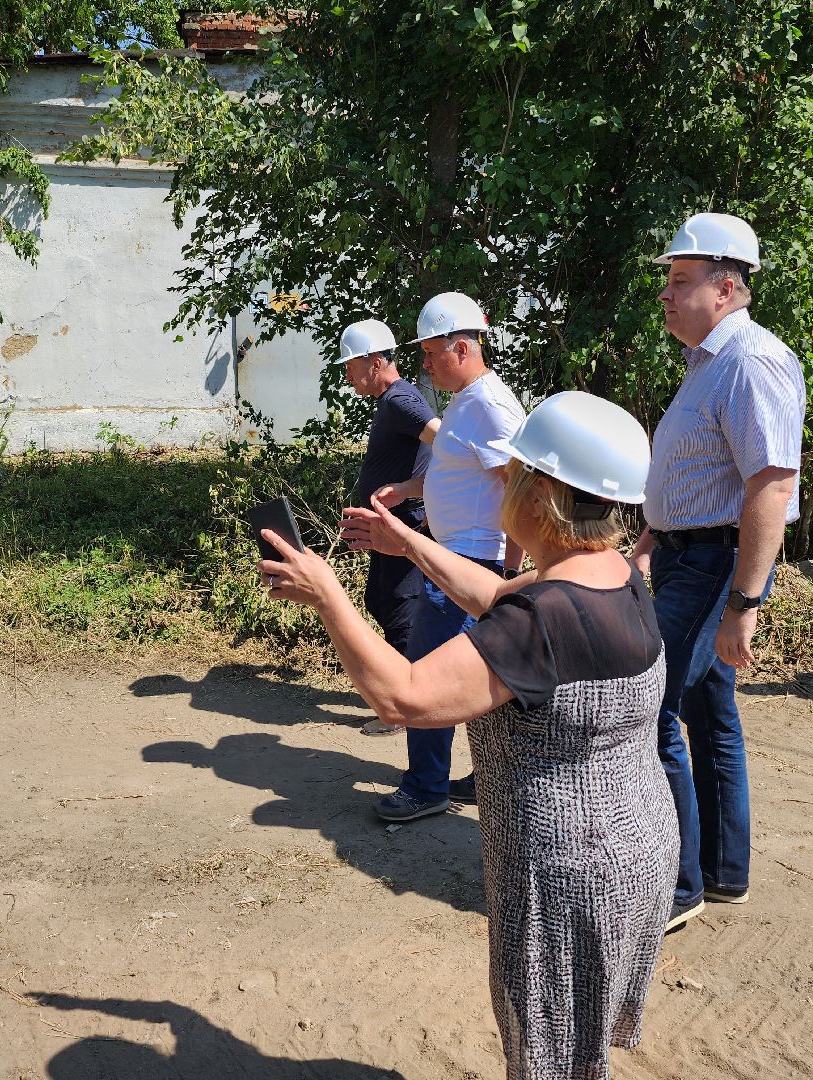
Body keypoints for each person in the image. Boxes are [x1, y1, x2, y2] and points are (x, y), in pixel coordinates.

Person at [260, 391, 678, 1080]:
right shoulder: (613, 580)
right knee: (574, 1048)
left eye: (511, 474)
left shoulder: (542, 619)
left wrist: (328, 595)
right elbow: (497, 597)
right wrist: (409, 543)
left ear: (539, 493)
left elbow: (402, 697)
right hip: (637, 848)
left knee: (545, 1054)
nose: (501, 486)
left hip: (563, 876)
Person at [630, 213, 806, 932]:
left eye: (679, 281)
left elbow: (769, 485)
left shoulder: (750, 362)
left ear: (726, 287)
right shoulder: (707, 360)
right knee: (708, 714)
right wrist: (648, 538)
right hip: (682, 554)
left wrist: (744, 602)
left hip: (711, 563)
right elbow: (694, 470)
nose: (665, 295)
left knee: (651, 711)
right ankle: (721, 873)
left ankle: (678, 886)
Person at [370, 291, 525, 821]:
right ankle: (482, 777)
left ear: (462, 348)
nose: (425, 364)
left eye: (433, 353)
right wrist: (409, 488)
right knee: (476, 676)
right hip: (456, 559)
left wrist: (512, 568)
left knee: (429, 673)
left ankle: (425, 787)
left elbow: (519, 488)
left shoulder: (489, 406)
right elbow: (457, 472)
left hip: (475, 563)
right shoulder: (464, 403)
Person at [331, 318, 439, 735]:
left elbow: (444, 439)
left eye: (351, 365)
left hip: (405, 527)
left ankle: (405, 707)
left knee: (399, 609)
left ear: (375, 362)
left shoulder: (400, 400)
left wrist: (423, 492)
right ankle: (402, 694)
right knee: (379, 600)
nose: (347, 374)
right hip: (390, 525)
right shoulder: (391, 400)